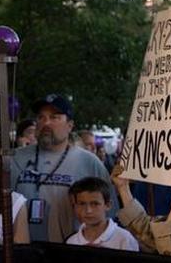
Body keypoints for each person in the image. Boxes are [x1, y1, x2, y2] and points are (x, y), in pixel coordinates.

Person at [10, 94, 113, 242]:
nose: (46, 123)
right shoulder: (15, 159)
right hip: (21, 251)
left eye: (54, 117)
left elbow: (109, 215)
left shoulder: (90, 163)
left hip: (71, 253)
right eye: (41, 117)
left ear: (70, 125)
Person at [65, 177, 138, 250]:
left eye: (95, 204)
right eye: (82, 204)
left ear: (108, 205)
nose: (88, 210)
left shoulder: (124, 239)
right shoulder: (71, 241)